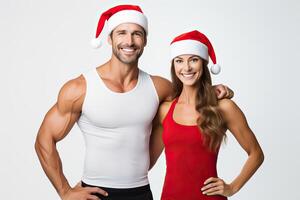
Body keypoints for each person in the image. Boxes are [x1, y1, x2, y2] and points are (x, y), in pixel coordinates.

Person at [34, 5, 233, 200]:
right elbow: (45, 138)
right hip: (95, 193)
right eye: (121, 33)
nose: (129, 41)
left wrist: (216, 90)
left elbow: (191, 97)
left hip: (141, 192)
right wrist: (65, 191)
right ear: (109, 39)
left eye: (137, 33)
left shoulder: (159, 88)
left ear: (145, 40)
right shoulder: (80, 89)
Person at [149, 30, 264, 200]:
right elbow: (146, 163)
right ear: (173, 66)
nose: (186, 67)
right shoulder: (164, 110)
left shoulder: (223, 107)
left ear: (203, 64)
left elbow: (256, 154)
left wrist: (232, 187)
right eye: (179, 61)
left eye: (193, 60)